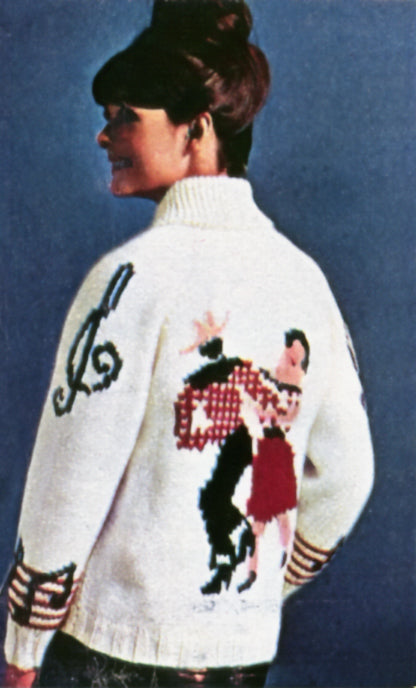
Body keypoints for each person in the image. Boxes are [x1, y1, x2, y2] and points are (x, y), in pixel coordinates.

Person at [3, 1, 374, 686]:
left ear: (197, 128)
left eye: (125, 116)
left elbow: (69, 482)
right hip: (239, 653)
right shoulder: (304, 280)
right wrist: (259, 592)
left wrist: (22, 650)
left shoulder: (128, 281)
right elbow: (348, 475)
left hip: (114, 654)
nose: (104, 135)